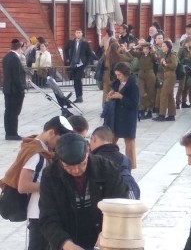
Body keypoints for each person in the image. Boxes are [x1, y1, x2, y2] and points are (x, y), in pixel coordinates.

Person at [39, 132, 128, 250]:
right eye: (69, 167)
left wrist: (106, 233)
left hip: (103, 238)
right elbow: (48, 217)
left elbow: (121, 206)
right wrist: (65, 244)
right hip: (68, 239)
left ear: (88, 152)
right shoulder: (50, 175)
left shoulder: (108, 169)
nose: (76, 171)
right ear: (60, 160)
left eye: (82, 164)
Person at [0, 116, 73, 250]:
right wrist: (51, 186)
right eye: (59, 140)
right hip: (37, 212)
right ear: (51, 133)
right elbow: (23, 186)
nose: (59, 144)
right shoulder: (37, 154)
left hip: (42, 211)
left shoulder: (39, 147)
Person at [103, 62, 140, 169]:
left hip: (127, 118)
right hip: (115, 116)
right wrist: (111, 95)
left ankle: (131, 166)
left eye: (119, 75)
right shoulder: (117, 83)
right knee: (110, 141)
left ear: (125, 73)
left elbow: (135, 104)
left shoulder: (133, 85)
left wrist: (121, 97)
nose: (118, 77)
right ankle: (107, 163)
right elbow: (114, 90)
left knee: (129, 143)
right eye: (116, 75)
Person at [3, 39, 27, 141]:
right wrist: (22, 88)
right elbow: (16, 76)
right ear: (19, 48)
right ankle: (13, 133)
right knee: (14, 112)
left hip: (7, 89)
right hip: (15, 90)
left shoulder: (6, 57)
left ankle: (8, 133)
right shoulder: (15, 59)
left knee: (8, 111)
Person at [63, 29, 92, 103]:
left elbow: (89, 53)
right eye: (77, 32)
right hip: (73, 63)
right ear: (75, 34)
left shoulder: (85, 43)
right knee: (75, 81)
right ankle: (77, 97)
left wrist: (86, 63)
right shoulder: (72, 42)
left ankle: (80, 96)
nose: (78, 34)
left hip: (81, 63)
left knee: (78, 79)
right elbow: (65, 49)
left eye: (79, 32)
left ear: (82, 34)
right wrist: (67, 58)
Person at [154, 41, 178, 121]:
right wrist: (162, 63)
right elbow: (165, 66)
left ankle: (162, 114)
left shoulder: (172, 54)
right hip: (167, 76)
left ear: (168, 47)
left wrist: (165, 64)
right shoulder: (166, 54)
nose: (162, 47)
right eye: (162, 46)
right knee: (170, 96)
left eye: (164, 46)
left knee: (163, 94)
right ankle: (171, 115)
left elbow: (174, 65)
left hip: (171, 76)